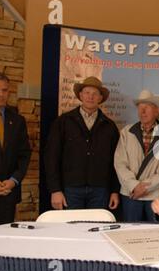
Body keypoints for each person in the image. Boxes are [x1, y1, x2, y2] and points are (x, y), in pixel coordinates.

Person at [45, 77, 120, 210]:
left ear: (100, 98)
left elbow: (116, 162)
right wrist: (55, 190)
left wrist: (114, 191)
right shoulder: (63, 122)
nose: (90, 97)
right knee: (71, 229)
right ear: (80, 95)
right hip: (70, 189)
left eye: (95, 93)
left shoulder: (110, 126)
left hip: (100, 190)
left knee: (97, 227)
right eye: (87, 92)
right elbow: (52, 157)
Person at [115, 89, 159, 222]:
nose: (142, 112)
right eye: (140, 108)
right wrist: (133, 186)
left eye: (146, 108)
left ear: (156, 111)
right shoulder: (127, 132)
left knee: (158, 235)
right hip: (131, 194)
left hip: (157, 195)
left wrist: (143, 187)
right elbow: (120, 163)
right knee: (131, 236)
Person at [0, 72, 31, 226]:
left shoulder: (17, 120)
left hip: (7, 194)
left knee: (4, 243)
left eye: (5, 90)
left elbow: (24, 154)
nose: (1, 94)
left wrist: (13, 180)